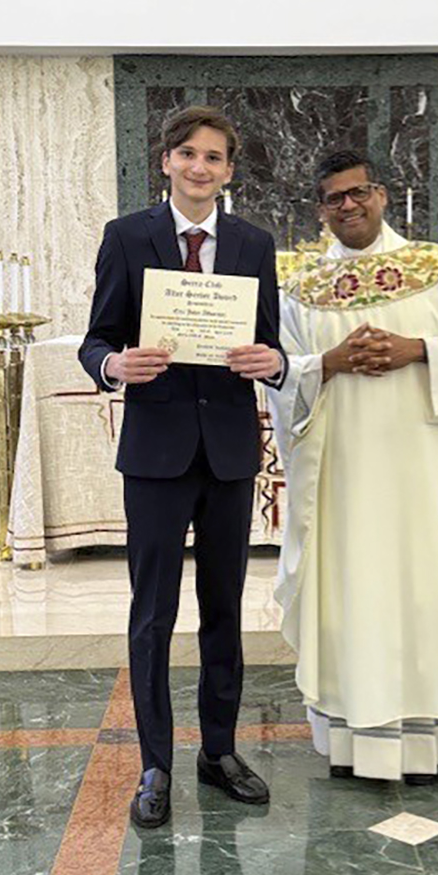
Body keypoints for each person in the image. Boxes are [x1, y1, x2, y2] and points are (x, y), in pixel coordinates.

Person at [267, 150, 438, 784]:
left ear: (382, 194)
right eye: (333, 198)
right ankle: (354, 740)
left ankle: (431, 737)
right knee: (352, 591)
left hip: (425, 473)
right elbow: (279, 372)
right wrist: (330, 362)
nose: (348, 206)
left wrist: (420, 350)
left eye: (358, 193)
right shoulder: (298, 289)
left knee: (423, 587)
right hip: (343, 478)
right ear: (320, 210)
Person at [80, 106, 285, 827]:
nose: (201, 168)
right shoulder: (127, 237)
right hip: (157, 454)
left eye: (215, 157)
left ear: (230, 170)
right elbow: (95, 338)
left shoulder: (256, 245)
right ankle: (156, 764)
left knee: (224, 610)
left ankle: (219, 751)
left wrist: (278, 361)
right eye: (187, 154)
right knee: (153, 614)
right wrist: (112, 363)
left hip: (228, 452)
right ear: (166, 161)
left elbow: (269, 343)